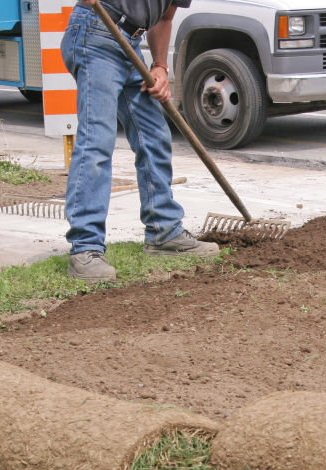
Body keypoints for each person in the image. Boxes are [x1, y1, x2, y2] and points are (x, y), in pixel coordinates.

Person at [62, 0, 218, 283]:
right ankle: (84, 249)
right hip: (96, 31)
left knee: (154, 135)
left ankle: (164, 231)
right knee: (97, 141)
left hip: (129, 43)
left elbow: (164, 18)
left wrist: (160, 67)